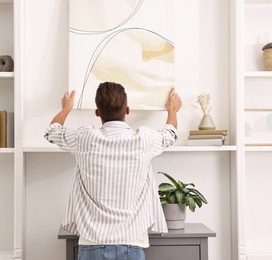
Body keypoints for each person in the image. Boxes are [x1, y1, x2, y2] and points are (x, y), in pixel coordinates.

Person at [44, 82, 182, 260]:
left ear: (97, 113)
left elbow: (51, 131)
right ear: (127, 110)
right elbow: (170, 134)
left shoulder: (85, 138)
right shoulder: (143, 140)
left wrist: (66, 108)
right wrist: (172, 110)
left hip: (92, 244)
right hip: (132, 244)